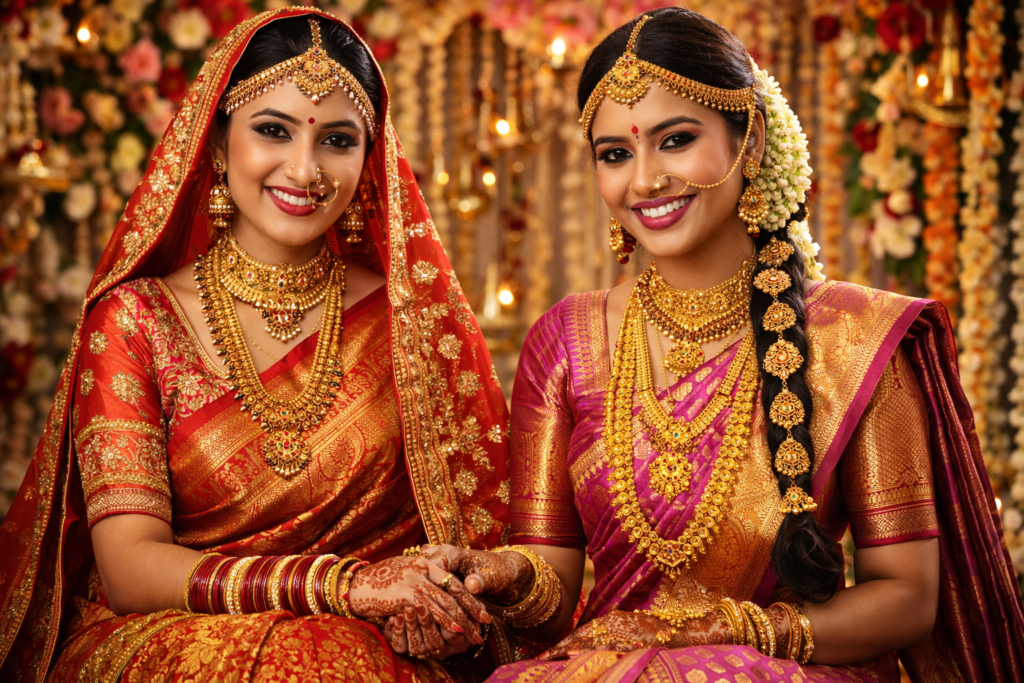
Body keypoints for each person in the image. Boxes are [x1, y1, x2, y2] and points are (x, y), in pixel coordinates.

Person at [410, 8, 1024, 682]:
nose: (643, 181)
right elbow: (552, 596)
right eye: (616, 153)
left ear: (751, 142)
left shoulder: (854, 338)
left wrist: (738, 629)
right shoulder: (565, 340)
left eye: (675, 140)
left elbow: (908, 598)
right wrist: (505, 571)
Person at [0, 8, 512, 681]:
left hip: (381, 649)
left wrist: (442, 607)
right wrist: (342, 587)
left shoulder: (409, 319)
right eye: (272, 130)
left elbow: (473, 537)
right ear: (215, 144)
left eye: (337, 139)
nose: (304, 168)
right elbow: (129, 568)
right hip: (171, 645)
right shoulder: (135, 320)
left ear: (370, 158)